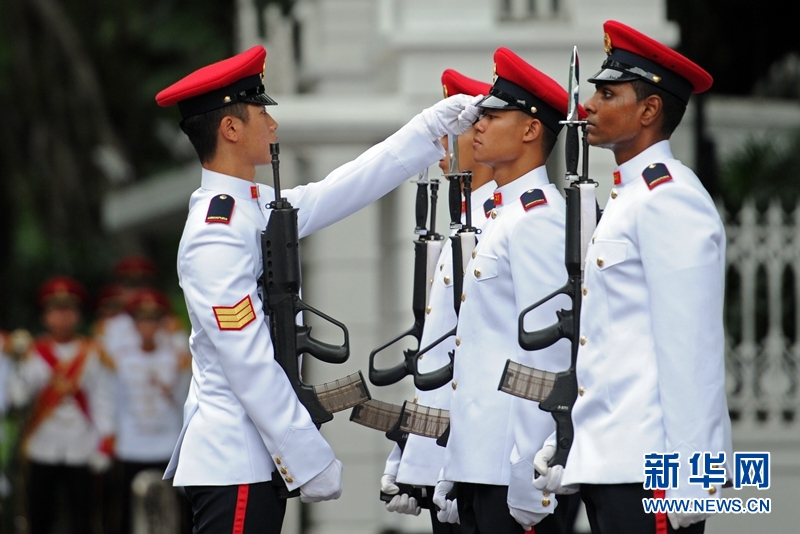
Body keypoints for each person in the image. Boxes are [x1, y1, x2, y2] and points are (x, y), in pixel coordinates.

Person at [154, 44, 479, 533]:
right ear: (231, 128)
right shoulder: (216, 229)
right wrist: (302, 452)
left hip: (251, 460)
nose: (274, 124)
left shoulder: (252, 207)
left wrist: (428, 129)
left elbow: (343, 187)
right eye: (262, 112)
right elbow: (244, 356)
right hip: (236, 459)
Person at [531, 20, 731, 534]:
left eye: (607, 92)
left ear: (649, 110)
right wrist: (568, 436)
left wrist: (696, 475)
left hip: (653, 473)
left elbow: (692, 348)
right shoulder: (628, 199)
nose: (588, 106)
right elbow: (610, 346)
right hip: (612, 465)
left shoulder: (671, 199)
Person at [434, 47, 580, 534]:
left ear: (531, 129)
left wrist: (530, 477)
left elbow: (545, 356)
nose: (478, 124)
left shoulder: (538, 221)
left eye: (493, 114)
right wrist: (454, 466)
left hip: (511, 468)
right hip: (482, 465)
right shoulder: (503, 219)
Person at [380, 68, 495, 534]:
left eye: (455, 136)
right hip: (454, 463)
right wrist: (412, 453)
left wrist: (453, 465)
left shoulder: (504, 228)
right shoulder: (464, 229)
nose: (442, 151)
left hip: (488, 466)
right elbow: (439, 362)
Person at [5, 276, 114, 534]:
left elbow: (103, 401)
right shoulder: (34, 351)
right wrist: (18, 368)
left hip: (82, 444)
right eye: (55, 310)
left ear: (78, 315)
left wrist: (105, 443)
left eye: (69, 310)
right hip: (43, 443)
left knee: (83, 517)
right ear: (46, 316)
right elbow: (19, 397)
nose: (62, 317)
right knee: (40, 514)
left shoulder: (91, 351)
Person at [106, 288, 191, 534]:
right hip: (131, 444)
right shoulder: (120, 360)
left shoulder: (178, 359)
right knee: (126, 512)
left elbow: (185, 399)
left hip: (168, 443)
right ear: (134, 324)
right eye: (142, 320)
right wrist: (111, 433)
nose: (148, 326)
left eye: (154, 319)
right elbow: (113, 400)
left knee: (177, 512)